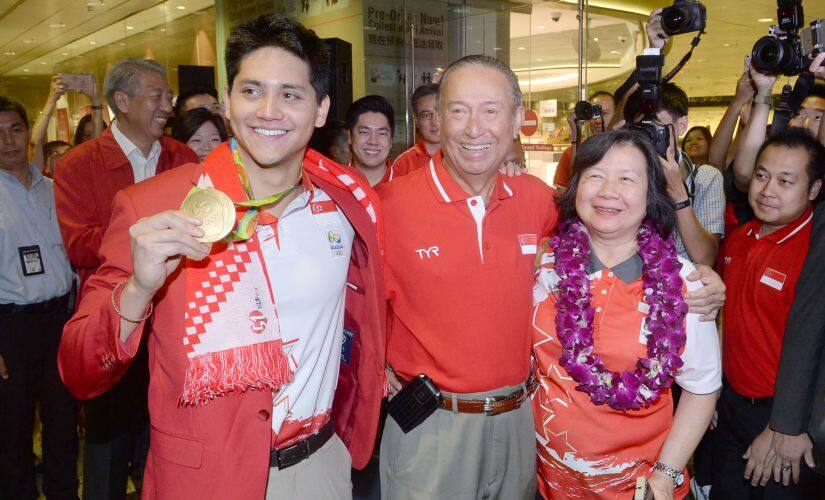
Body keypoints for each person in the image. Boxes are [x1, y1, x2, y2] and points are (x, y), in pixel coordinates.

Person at [58, 14, 386, 499]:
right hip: (205, 478)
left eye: (291, 95)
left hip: (320, 466)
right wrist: (138, 290)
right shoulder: (156, 207)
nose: (269, 111)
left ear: (321, 111)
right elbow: (80, 373)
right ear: (228, 104)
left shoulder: (344, 202)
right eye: (251, 92)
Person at [379, 54, 557, 500]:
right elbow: (348, 305)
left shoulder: (536, 200)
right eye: (458, 110)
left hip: (519, 421)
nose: (474, 128)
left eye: (491, 110)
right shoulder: (387, 206)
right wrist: (376, 363)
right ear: (436, 120)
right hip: (430, 428)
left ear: (517, 119)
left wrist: (689, 282)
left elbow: (605, 251)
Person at [532, 129, 721, 499]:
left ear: (651, 196)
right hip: (545, 484)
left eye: (626, 178)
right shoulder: (543, 265)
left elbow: (701, 388)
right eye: (595, 176)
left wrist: (665, 477)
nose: (608, 190)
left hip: (640, 488)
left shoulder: (684, 284)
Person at [54, 59, 198, 500]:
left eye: (169, 97)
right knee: (108, 460)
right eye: (157, 97)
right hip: (115, 324)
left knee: (169, 450)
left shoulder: (183, 158)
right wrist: (141, 237)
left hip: (175, 329)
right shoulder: (78, 165)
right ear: (122, 102)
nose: (168, 107)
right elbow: (79, 246)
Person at [711, 128, 825, 498]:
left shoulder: (813, 251)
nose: (767, 189)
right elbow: (724, 316)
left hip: (786, 419)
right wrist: (711, 390)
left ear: (814, 190)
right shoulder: (741, 237)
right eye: (761, 175)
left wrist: (791, 426)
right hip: (730, 408)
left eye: (785, 181)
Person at [0, 96, 79, 500]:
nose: (7, 140)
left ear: (28, 132)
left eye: (14, 129)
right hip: (10, 327)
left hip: (59, 322)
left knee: (63, 425)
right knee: (13, 433)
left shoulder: (54, 189)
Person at [625, 82, 725, 266]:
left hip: (683, 288)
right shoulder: (624, 175)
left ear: (681, 125)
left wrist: (679, 192)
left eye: (656, 128)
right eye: (642, 129)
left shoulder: (705, 178)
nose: (648, 137)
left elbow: (705, 258)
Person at [30, 74, 105, 173]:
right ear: (45, 166)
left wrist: (95, 100)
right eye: (56, 153)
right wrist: (52, 99)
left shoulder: (84, 178)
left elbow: (97, 145)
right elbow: (35, 143)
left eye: (69, 152)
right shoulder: (42, 183)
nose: (65, 157)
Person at [553, 91, 616, 189]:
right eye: (594, 114)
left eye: (604, 113)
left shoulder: (626, 153)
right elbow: (562, 196)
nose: (598, 121)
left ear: (616, 115)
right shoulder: (570, 153)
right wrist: (576, 134)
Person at [391, 83, 439, 177]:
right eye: (426, 115)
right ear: (416, 121)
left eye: (439, 113)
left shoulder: (465, 156)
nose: (434, 122)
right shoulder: (403, 164)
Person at [346, 95, 394, 186]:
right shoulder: (333, 185)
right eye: (364, 132)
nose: (373, 141)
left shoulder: (409, 186)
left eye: (382, 133)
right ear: (350, 137)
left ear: (391, 141)